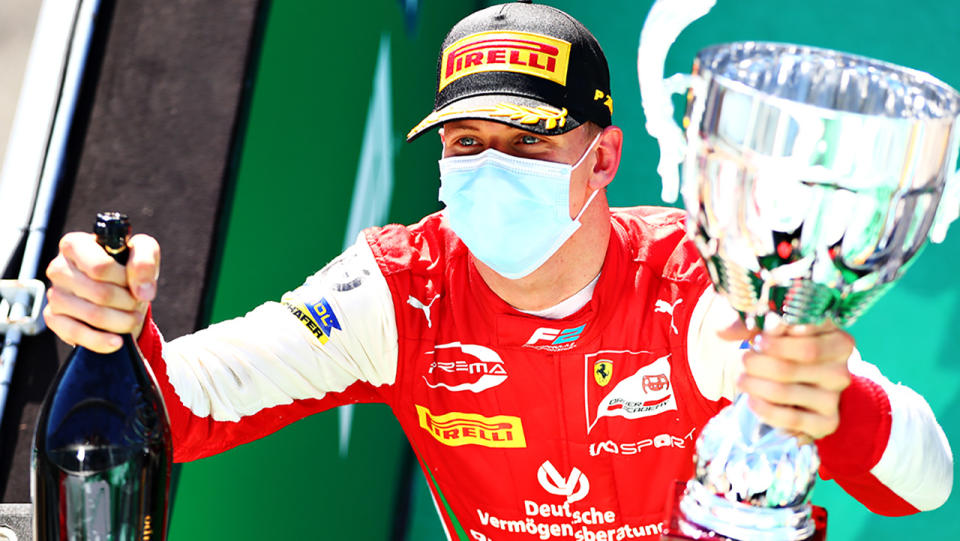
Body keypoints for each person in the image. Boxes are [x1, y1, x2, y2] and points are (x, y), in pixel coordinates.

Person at [43, 1, 951, 539]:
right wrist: (115, 317)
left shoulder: (698, 280)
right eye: (467, 142)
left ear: (603, 161)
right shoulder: (398, 289)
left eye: (527, 142)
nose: (489, 167)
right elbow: (183, 410)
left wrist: (829, 402)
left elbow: (923, 482)